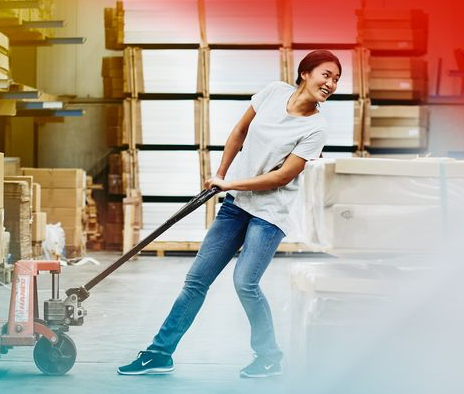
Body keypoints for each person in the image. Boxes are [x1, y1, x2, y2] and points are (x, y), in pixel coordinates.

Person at [117, 50, 341, 378]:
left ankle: (269, 356)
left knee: (245, 282)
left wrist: (229, 183)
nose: (331, 83)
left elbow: (282, 177)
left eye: (336, 79)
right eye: (326, 74)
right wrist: (219, 176)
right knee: (195, 281)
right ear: (305, 73)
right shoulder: (273, 93)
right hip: (235, 204)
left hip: (269, 214)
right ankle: (159, 353)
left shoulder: (316, 128)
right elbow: (239, 133)